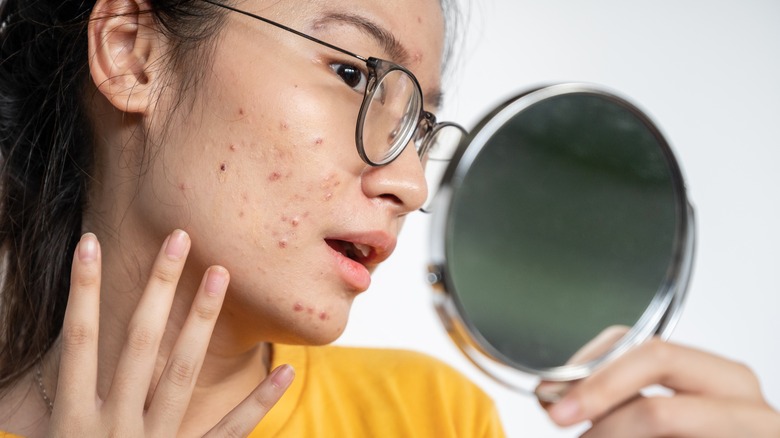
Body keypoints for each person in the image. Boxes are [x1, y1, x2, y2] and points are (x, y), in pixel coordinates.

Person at [0, 0, 778, 436]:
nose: (410, 182)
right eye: (352, 72)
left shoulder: (430, 420)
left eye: (422, 124)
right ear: (133, 50)